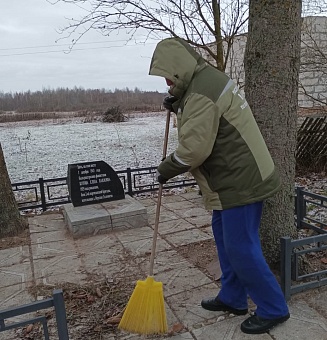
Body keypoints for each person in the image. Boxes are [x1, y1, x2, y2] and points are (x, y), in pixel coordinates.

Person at [149, 37, 290, 335]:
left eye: (168, 77)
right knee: (225, 238)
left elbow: (194, 150)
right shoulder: (203, 81)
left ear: (178, 69)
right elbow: (207, 119)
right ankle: (233, 297)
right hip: (231, 178)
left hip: (241, 180)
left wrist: (166, 169)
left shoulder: (202, 91)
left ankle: (274, 308)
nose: (166, 83)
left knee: (240, 246)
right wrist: (178, 104)